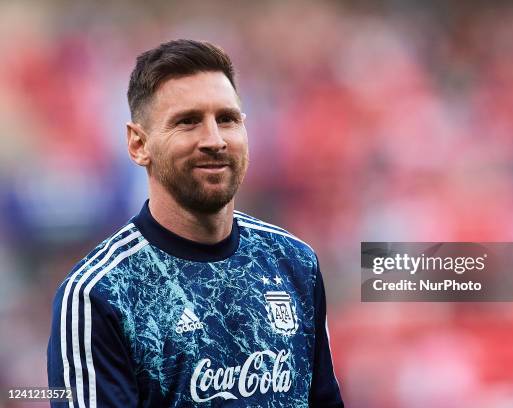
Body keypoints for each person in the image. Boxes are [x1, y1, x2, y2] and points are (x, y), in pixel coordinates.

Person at [47, 39, 344, 407]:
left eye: (227, 119)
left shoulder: (294, 263)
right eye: (188, 122)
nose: (214, 140)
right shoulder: (98, 294)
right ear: (139, 144)